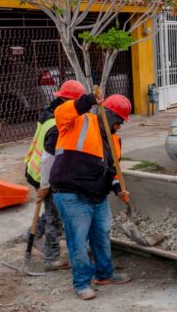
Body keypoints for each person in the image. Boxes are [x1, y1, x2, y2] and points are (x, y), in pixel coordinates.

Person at [50, 89, 133, 300]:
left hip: (98, 196)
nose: (119, 126)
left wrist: (118, 189)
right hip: (72, 195)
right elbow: (61, 113)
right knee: (78, 241)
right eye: (119, 121)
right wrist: (87, 100)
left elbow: (113, 172)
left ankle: (105, 274)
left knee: (102, 236)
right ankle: (82, 283)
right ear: (110, 115)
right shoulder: (79, 122)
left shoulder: (115, 142)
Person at [24, 80, 85, 270]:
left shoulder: (48, 112)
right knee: (55, 217)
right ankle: (51, 259)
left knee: (52, 209)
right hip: (44, 173)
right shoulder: (57, 125)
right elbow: (48, 159)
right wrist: (44, 186)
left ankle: (33, 233)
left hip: (34, 168)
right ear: (69, 103)